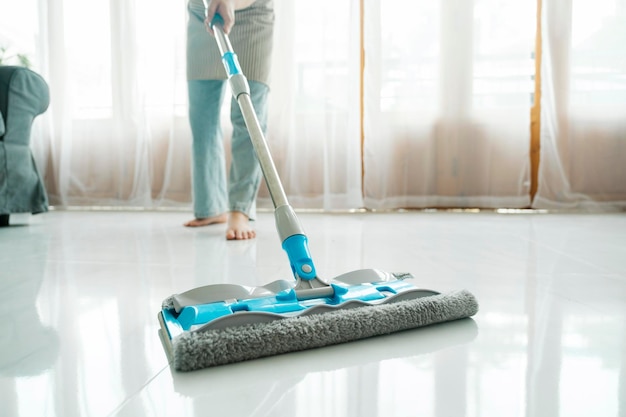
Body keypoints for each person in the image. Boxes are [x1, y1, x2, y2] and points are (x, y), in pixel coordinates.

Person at [184, 0, 274, 240]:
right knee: (202, 118)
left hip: (252, 12)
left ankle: (240, 209)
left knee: (248, 115)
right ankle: (210, 206)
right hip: (202, 14)